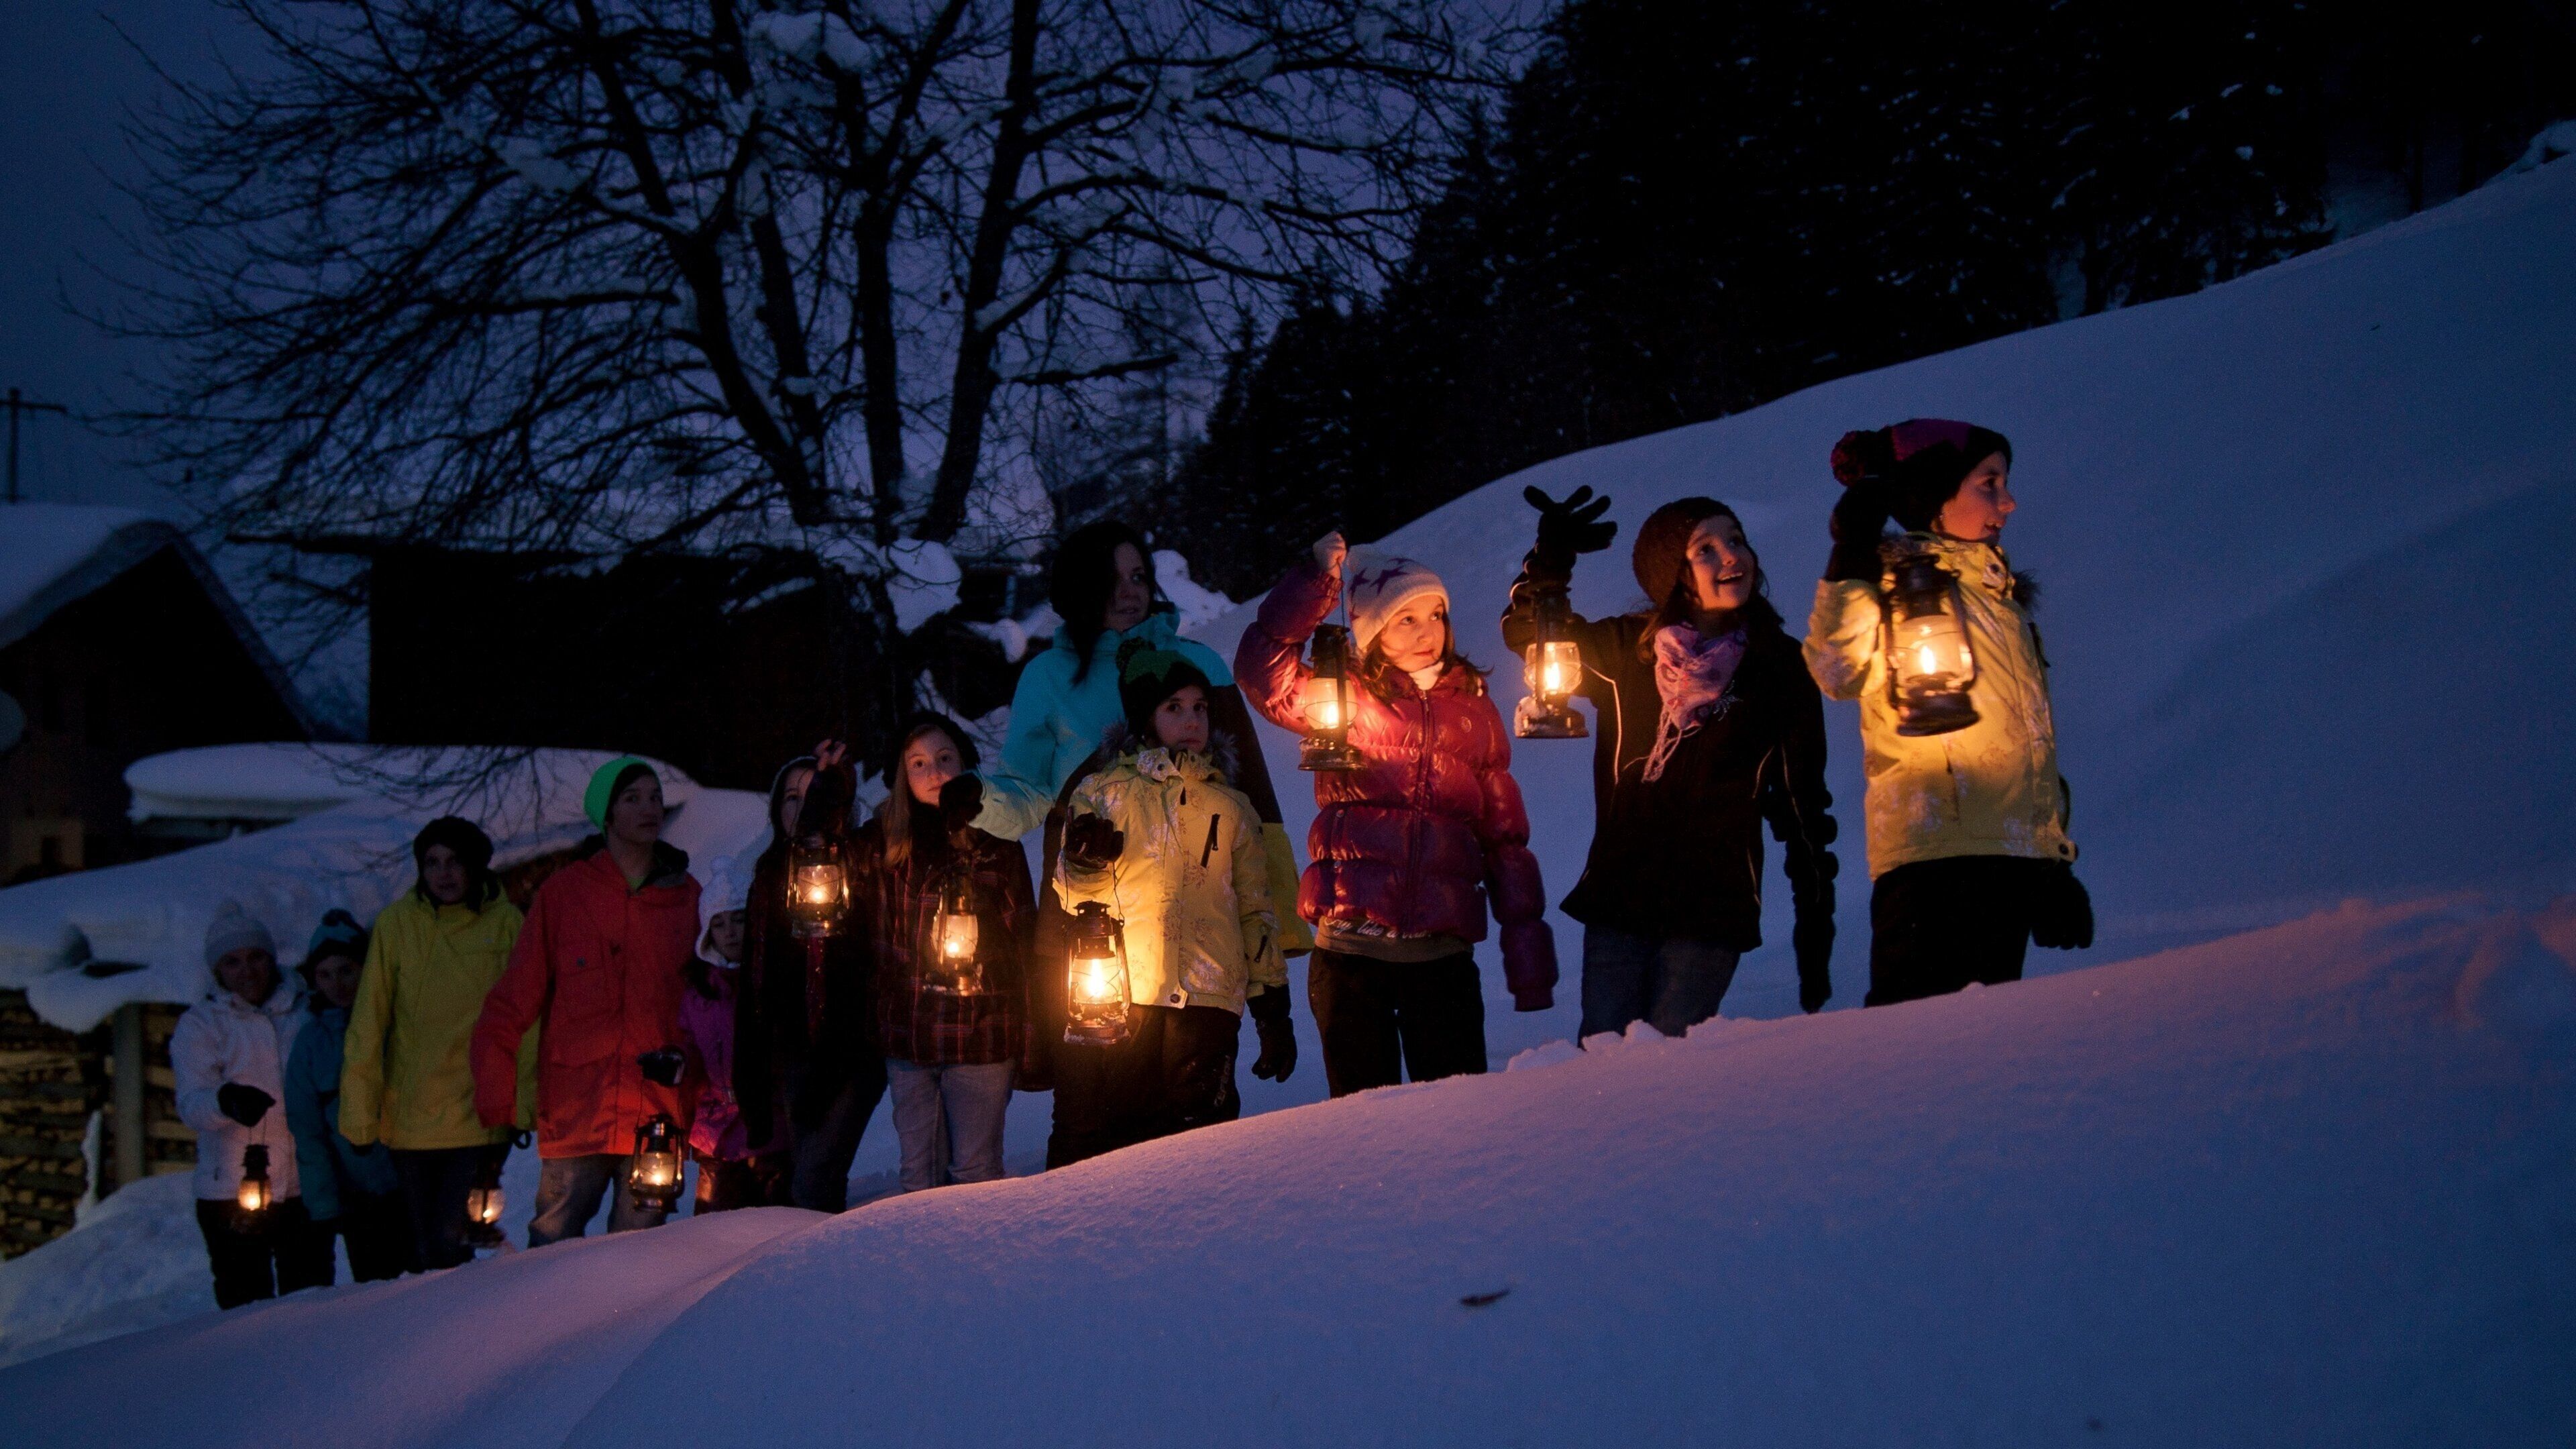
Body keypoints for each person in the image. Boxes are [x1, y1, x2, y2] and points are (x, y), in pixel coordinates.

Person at [961, 523, 1306, 1150]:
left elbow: (1253, 804)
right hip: (1083, 914)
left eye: (1139, 577)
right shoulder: (1049, 676)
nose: (1130, 593)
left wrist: (1274, 954)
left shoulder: (1196, 667)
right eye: (1112, 580)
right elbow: (1026, 793)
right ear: (1078, 589)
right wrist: (976, 800)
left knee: (1189, 1127)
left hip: (1199, 935)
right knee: (1087, 1116)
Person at [1504, 488, 1840, 1036]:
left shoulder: (1777, 667)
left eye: (1736, 540)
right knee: (1606, 1062)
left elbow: (1802, 804)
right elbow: (1528, 635)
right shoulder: (1625, 653)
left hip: (1711, 911)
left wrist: (1815, 922)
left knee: (1669, 1061)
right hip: (1619, 899)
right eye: (1705, 548)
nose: (1731, 556)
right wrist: (1551, 561)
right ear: (1671, 572)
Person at [1237, 534, 1558, 1096]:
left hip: (1442, 957)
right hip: (1352, 954)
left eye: (1435, 613)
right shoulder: (1343, 696)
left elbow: (1506, 838)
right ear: (1371, 632)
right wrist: (1316, 582)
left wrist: (1527, 957)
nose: (1427, 629)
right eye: (1405, 618)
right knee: (1366, 1118)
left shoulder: (1473, 710)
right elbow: (1262, 669)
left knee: (1457, 1109)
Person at [1804, 419, 2094, 1006]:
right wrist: (1850, 556)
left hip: (2009, 862)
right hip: (1932, 866)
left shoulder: (2001, 603)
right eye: (1988, 483)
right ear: (1934, 494)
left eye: (2005, 483)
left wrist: (2049, 858)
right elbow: (1838, 671)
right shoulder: (1887, 584)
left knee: (1985, 1059)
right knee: (1920, 1058)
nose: (2007, 501)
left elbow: (2025, 744)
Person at [1051, 645, 1293, 1160]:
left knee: (1202, 1145)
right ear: (1146, 718)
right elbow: (1076, 901)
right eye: (1174, 708)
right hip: (1128, 998)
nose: (1191, 720)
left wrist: (1272, 1009)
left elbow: (1256, 912)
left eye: (1200, 707)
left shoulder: (1231, 805)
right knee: (1131, 1143)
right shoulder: (1102, 793)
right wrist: (1085, 860)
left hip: (1209, 1001)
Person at [471, 757, 702, 1245]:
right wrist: (496, 1093)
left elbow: (708, 1004)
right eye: (632, 798)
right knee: (552, 1250)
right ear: (607, 815)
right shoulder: (564, 895)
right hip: (578, 1110)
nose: (649, 808)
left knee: (638, 1259)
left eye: (655, 797)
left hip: (655, 1110)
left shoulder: (687, 896)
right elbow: (514, 999)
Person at [852, 714, 1038, 1190]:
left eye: (943, 758)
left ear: (966, 764)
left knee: (975, 1173)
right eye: (918, 763)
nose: (933, 773)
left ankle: (978, 1261)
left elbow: (1024, 940)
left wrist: (1031, 1032)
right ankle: (921, 1264)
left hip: (979, 1037)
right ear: (902, 775)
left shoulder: (995, 843)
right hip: (909, 1038)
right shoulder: (884, 844)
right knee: (920, 1175)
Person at [341, 816, 527, 1271]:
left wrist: (523, 1103)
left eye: (455, 862)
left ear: (477, 866)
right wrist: (360, 1116)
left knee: (454, 1241)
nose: (444, 873)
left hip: (478, 1114)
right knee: (423, 1248)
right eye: (433, 863)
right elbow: (369, 1022)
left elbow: (527, 1019)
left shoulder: (506, 924)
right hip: (411, 1117)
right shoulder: (397, 925)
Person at [737, 741, 889, 1212]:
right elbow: (753, 982)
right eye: (792, 797)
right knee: (809, 1182)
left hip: (854, 1051)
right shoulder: (768, 877)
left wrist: (834, 794)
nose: (805, 807)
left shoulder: (857, 861)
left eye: (815, 793)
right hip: (794, 1052)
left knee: (814, 1182)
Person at [172, 902, 331, 1308]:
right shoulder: (202, 1024)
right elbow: (192, 1105)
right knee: (244, 1309)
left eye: (256, 957)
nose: (248, 971)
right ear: (218, 971)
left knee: (309, 1305)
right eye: (233, 962)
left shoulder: (306, 1010)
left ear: (272, 959)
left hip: (301, 1186)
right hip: (232, 1190)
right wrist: (226, 1099)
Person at [282, 909, 412, 1283]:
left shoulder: (397, 1022)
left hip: (411, 1184)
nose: (336, 984)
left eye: (346, 971)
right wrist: (325, 1205)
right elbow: (308, 1129)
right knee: (376, 1291)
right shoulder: (312, 1044)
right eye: (325, 975)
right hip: (359, 1198)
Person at [677, 857, 790, 1212]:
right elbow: (691, 1053)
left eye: (738, 919)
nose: (729, 931)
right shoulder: (699, 993)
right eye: (719, 923)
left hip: (771, 1133)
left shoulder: (773, 980)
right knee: (715, 1237)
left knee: (772, 1231)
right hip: (718, 1138)